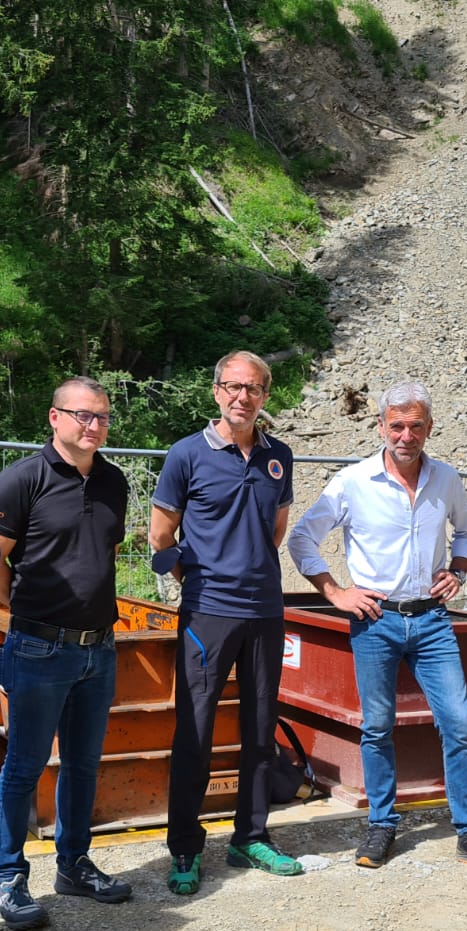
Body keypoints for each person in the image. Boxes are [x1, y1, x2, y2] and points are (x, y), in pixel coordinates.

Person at [288, 380, 467, 876]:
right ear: (380, 426)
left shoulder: (447, 479)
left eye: (415, 426)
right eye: (397, 425)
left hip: (431, 621)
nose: (406, 435)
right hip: (375, 621)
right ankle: (382, 824)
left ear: (429, 428)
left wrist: (457, 570)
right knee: (377, 726)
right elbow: (303, 536)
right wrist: (335, 592)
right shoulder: (353, 482)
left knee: (457, 722)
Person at [149, 350, 302, 896]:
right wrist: (199, 571)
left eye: (255, 389)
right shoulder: (186, 455)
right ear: (216, 391)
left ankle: (250, 836)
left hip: (264, 609)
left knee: (260, 729)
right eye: (234, 387)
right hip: (207, 613)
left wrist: (248, 566)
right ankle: (186, 848)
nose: (243, 397)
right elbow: (160, 536)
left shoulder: (278, 456)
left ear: (265, 396)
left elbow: (275, 532)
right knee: (196, 731)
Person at [0, 378, 132, 929]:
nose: (92, 426)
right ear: (54, 417)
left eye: (101, 418)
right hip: (39, 647)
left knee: (83, 765)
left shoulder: (114, 482)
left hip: (99, 648)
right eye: (81, 416)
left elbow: (103, 552)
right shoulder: (23, 479)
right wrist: (25, 608)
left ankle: (72, 864)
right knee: (22, 766)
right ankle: (10, 880)